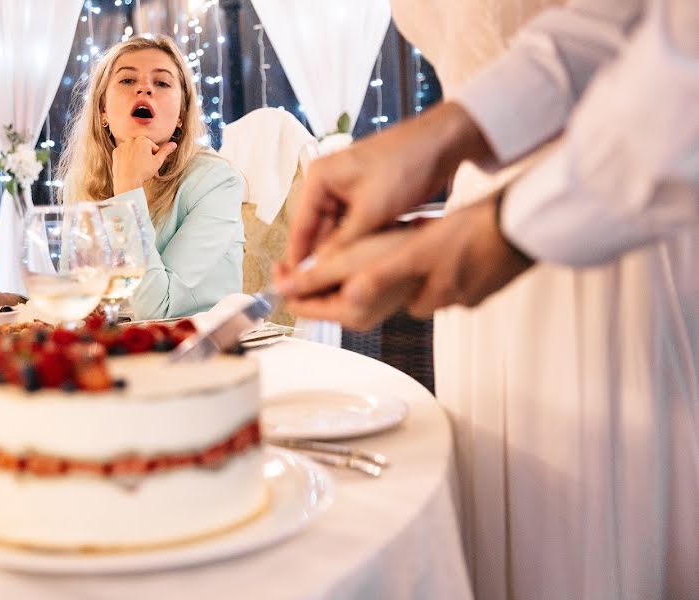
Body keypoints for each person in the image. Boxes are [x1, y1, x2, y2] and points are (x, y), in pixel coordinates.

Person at [277, 1, 697, 599]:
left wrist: (509, 226)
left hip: (626, 204)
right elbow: (603, 22)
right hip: (485, 214)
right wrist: (448, 132)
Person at [57, 35, 245, 320]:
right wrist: (14, 301)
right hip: (113, 352)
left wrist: (127, 192)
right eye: (127, 81)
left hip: (198, 352)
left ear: (181, 115)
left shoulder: (216, 181)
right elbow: (75, 299)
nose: (144, 88)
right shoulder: (83, 182)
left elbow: (157, 309)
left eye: (162, 83)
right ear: (103, 110)